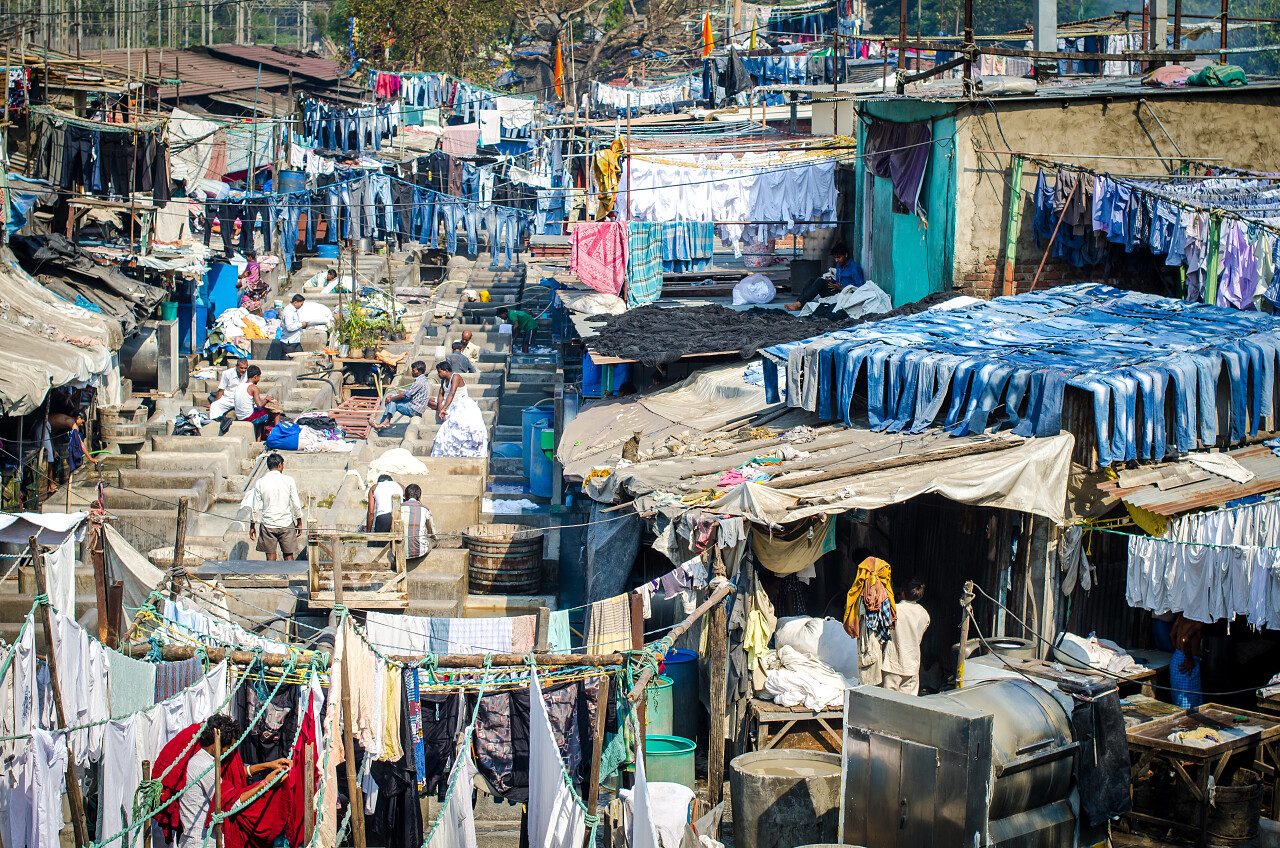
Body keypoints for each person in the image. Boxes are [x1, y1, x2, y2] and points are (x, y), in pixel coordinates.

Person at [177, 715, 290, 848]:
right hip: (201, 842)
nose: (231, 753)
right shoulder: (204, 766)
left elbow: (234, 773)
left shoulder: (204, 758)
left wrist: (268, 765)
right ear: (216, 746)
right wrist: (266, 783)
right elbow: (232, 803)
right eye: (229, 748)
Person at [248, 452, 303, 561]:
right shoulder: (288, 480)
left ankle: (272, 576)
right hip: (286, 523)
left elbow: (255, 507)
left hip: (268, 524)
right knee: (288, 555)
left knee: (270, 556)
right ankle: (289, 576)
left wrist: (252, 525)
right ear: (279, 465)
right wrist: (299, 522)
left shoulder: (260, 482)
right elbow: (296, 504)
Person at [429, 360, 490, 457]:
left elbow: (452, 394)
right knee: (429, 401)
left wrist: (444, 408)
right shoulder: (443, 380)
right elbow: (441, 394)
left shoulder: (456, 377)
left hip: (459, 402)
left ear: (446, 370)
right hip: (447, 402)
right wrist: (440, 406)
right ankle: (442, 411)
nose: (438, 374)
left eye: (440, 372)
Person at [880, 579, 930, 695]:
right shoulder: (924, 614)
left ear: (902, 593)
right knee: (907, 704)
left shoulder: (894, 610)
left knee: (888, 702)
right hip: (911, 665)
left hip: (892, 663)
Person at [784, 242, 865, 311]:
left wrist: (842, 288)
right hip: (836, 290)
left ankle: (799, 304)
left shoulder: (854, 267)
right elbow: (839, 281)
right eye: (835, 258)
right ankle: (800, 303)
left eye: (839, 257)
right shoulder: (839, 266)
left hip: (844, 294)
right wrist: (833, 281)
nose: (836, 260)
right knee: (812, 280)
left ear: (846, 255)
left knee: (820, 281)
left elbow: (859, 287)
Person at [371, 360, 432, 431]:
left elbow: (404, 395)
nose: (412, 372)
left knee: (393, 402)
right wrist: (392, 397)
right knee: (393, 396)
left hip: (415, 409)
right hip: (415, 404)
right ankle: (384, 422)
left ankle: (385, 422)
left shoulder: (419, 382)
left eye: (414, 371)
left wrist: (391, 399)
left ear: (420, 371)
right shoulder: (423, 379)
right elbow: (408, 393)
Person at [1170, 614, 1206, 709]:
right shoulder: (1199, 620)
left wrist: (1178, 651)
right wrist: (1189, 659)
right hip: (1187, 662)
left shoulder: (1182, 616)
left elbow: (1172, 634)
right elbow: (1185, 639)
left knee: (1179, 698)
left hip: (1177, 658)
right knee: (1189, 701)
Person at [401, 483, 437, 564]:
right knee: (433, 541)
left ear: (405, 497)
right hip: (420, 551)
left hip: (399, 549)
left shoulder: (397, 509)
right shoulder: (425, 510)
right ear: (419, 498)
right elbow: (432, 533)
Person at [366, 474, 405, 538]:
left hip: (383, 518)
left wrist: (368, 531)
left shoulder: (374, 487)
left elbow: (371, 512)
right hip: (399, 517)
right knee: (397, 541)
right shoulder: (399, 485)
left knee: (381, 545)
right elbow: (409, 496)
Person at [279, 294, 309, 358]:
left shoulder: (294, 310)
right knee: (288, 362)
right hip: (289, 343)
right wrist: (301, 324)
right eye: (301, 304)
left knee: (301, 359)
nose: (301, 306)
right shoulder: (288, 311)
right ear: (295, 303)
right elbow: (289, 327)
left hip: (295, 341)